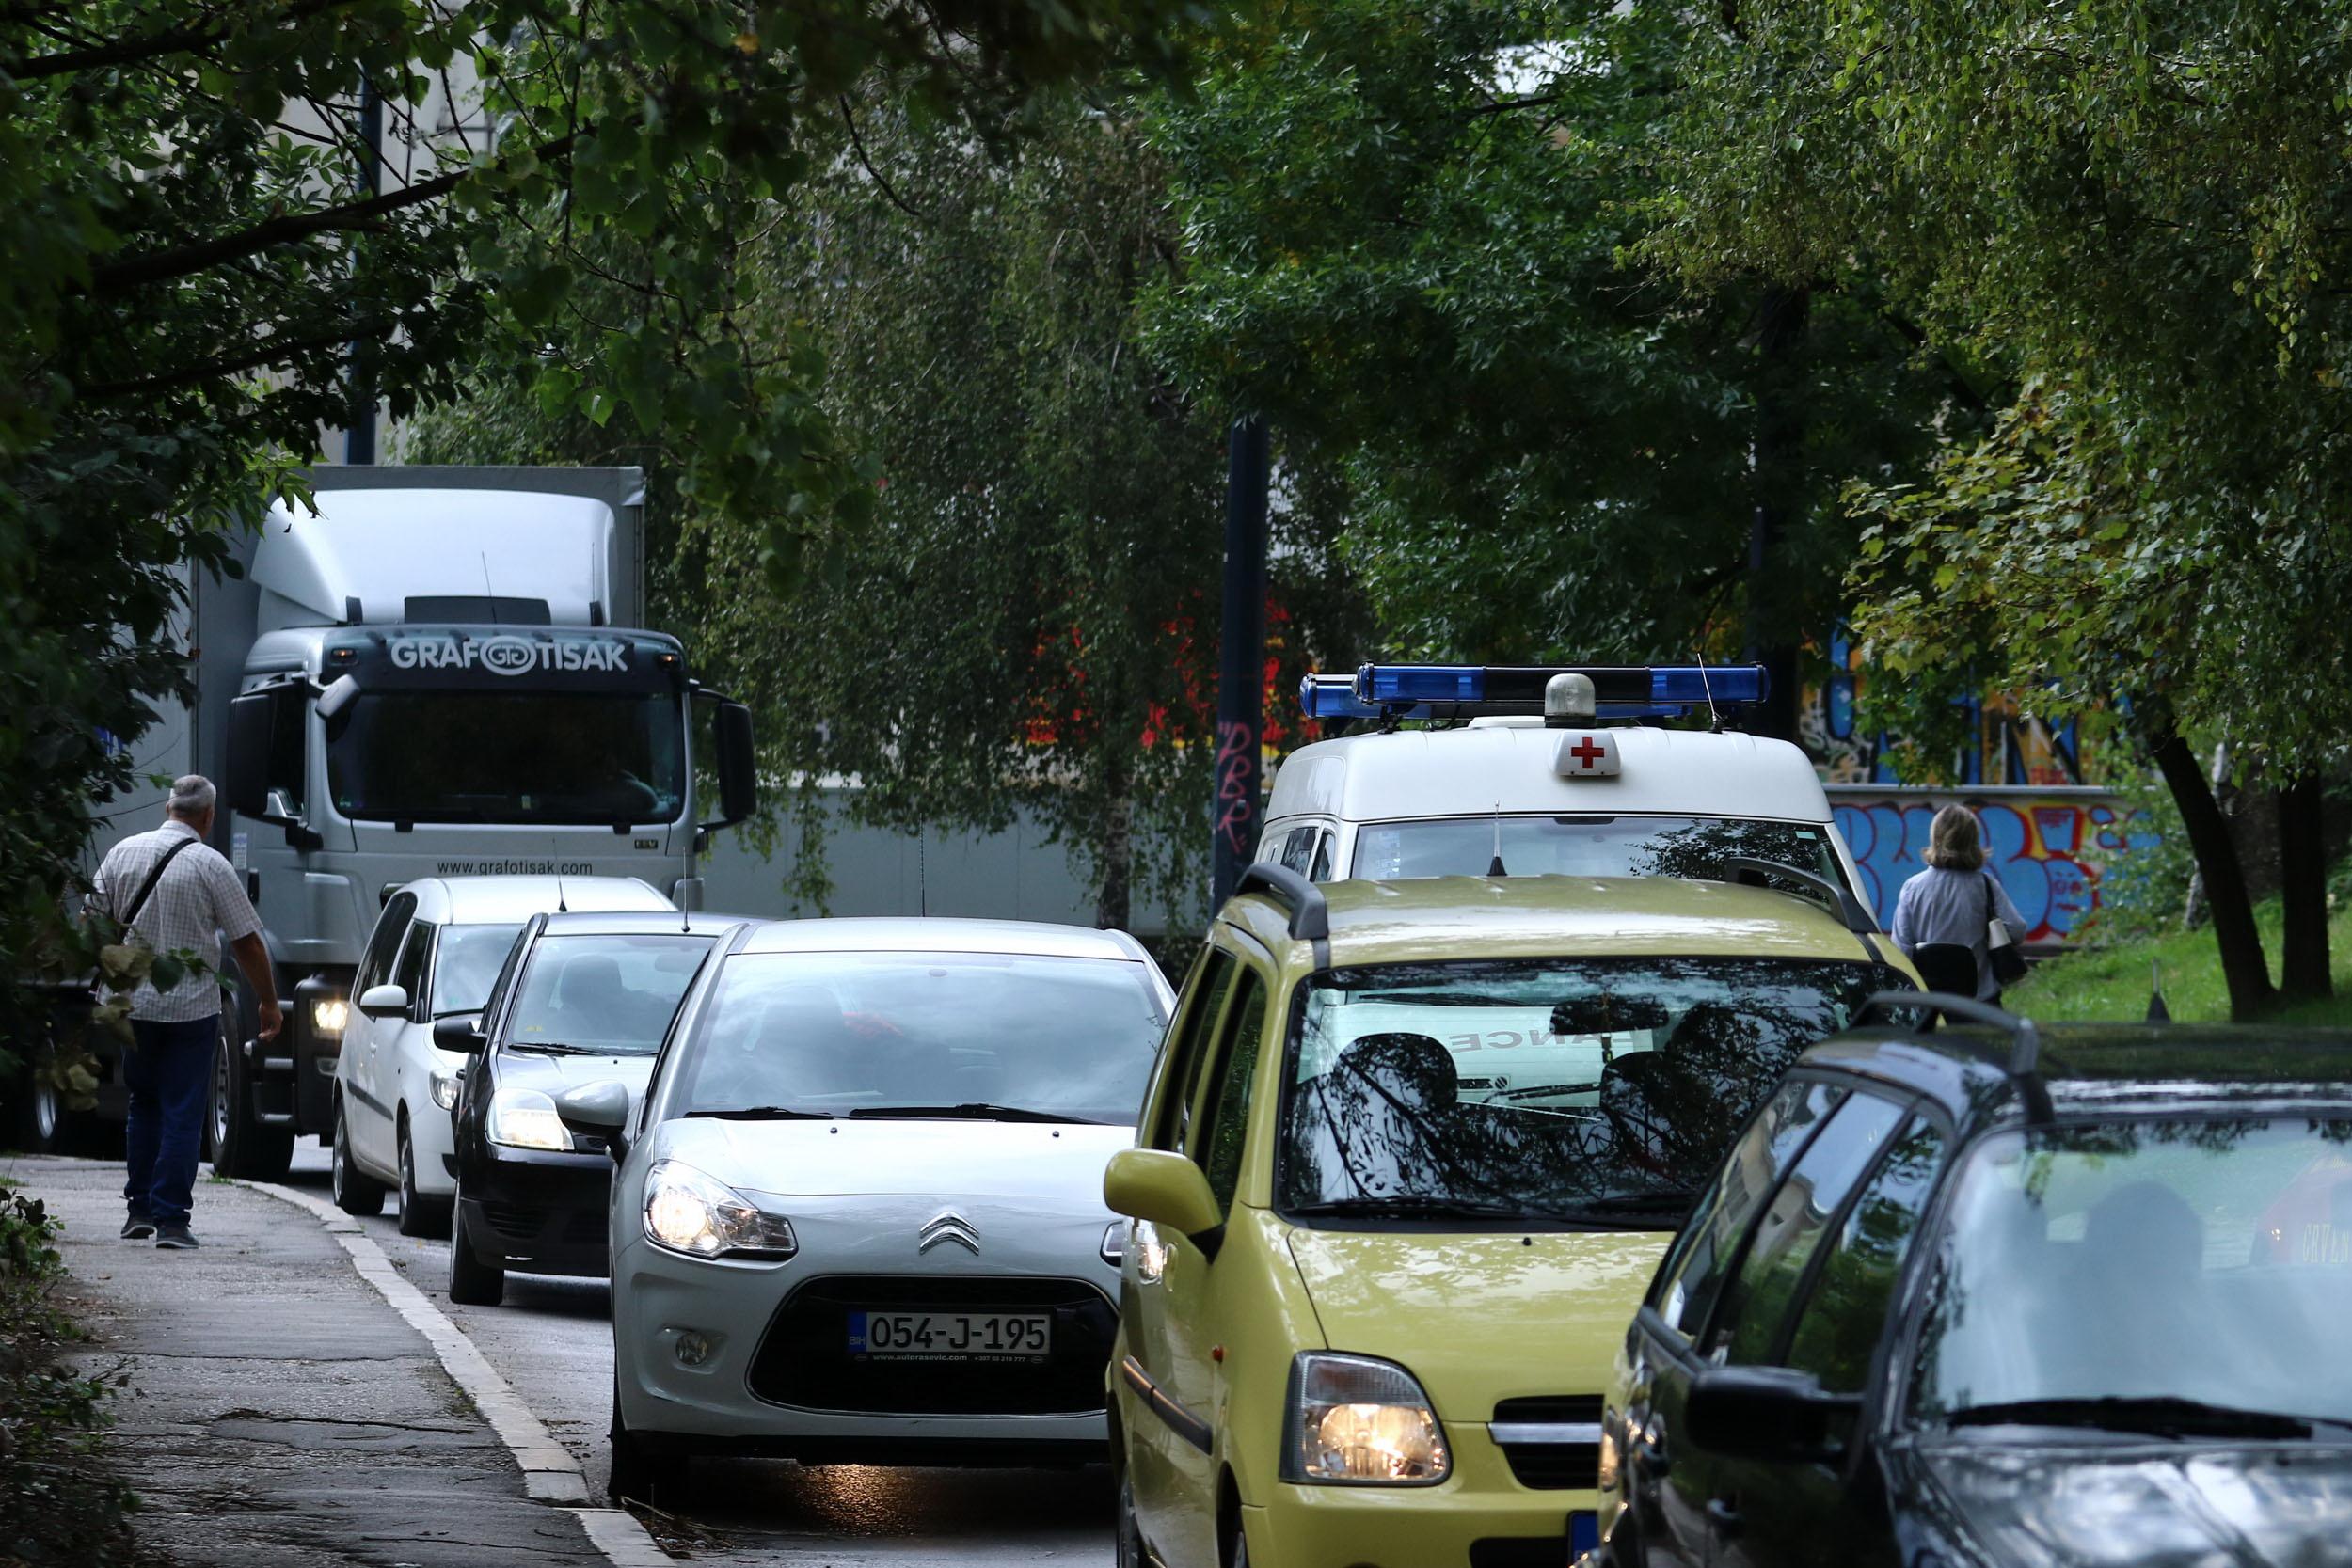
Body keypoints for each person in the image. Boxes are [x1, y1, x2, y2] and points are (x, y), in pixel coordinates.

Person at [89, 776, 279, 1249]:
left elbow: (90, 922)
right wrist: (269, 1002)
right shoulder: (210, 865)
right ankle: (172, 1221)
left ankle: (139, 1211)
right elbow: (247, 941)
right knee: (182, 1111)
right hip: (190, 1009)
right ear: (209, 816)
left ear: (169, 807)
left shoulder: (123, 853)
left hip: (132, 1005)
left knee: (143, 1103)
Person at [1889, 804, 2028, 1006]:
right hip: (1979, 1000)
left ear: (1935, 839)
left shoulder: (1913, 887)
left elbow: (1901, 948)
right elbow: (2017, 930)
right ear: (1972, 841)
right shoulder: (1985, 885)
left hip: (1929, 1002)